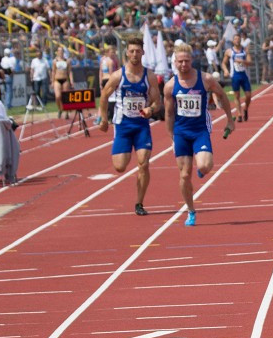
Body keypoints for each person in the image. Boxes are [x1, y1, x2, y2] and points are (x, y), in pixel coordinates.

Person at [164, 43, 234, 226]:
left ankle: (201, 170)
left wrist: (230, 119)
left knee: (205, 166)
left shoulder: (206, 79)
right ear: (175, 62)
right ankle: (191, 211)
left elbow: (223, 95)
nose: (183, 65)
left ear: (192, 60)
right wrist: (171, 135)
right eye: (180, 61)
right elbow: (169, 113)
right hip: (181, 133)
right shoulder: (170, 86)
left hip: (200, 131)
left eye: (187, 61)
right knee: (185, 175)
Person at [98, 37, 162, 216]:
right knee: (120, 166)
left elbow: (158, 102)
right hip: (123, 126)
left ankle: (139, 203)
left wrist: (150, 108)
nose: (135, 54)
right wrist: (103, 119)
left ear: (143, 52)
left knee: (143, 163)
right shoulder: (119, 75)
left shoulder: (149, 76)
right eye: (131, 51)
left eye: (138, 51)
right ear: (127, 52)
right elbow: (104, 96)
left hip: (141, 126)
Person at [221, 33, 252, 122]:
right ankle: (239, 114)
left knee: (248, 95)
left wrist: (242, 61)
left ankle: (245, 108)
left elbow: (250, 62)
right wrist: (226, 70)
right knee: (237, 95)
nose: (237, 40)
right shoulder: (229, 51)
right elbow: (223, 63)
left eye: (238, 39)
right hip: (235, 76)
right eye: (235, 39)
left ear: (240, 40)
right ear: (233, 41)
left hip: (244, 75)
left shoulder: (245, 50)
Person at [51, 47, 72, 118]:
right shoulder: (55, 61)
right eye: (59, 51)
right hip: (57, 80)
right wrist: (52, 81)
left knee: (65, 96)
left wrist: (71, 81)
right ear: (57, 52)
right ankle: (60, 109)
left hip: (65, 79)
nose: (61, 52)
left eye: (62, 51)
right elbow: (53, 71)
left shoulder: (67, 61)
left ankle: (66, 111)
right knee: (58, 96)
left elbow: (70, 71)